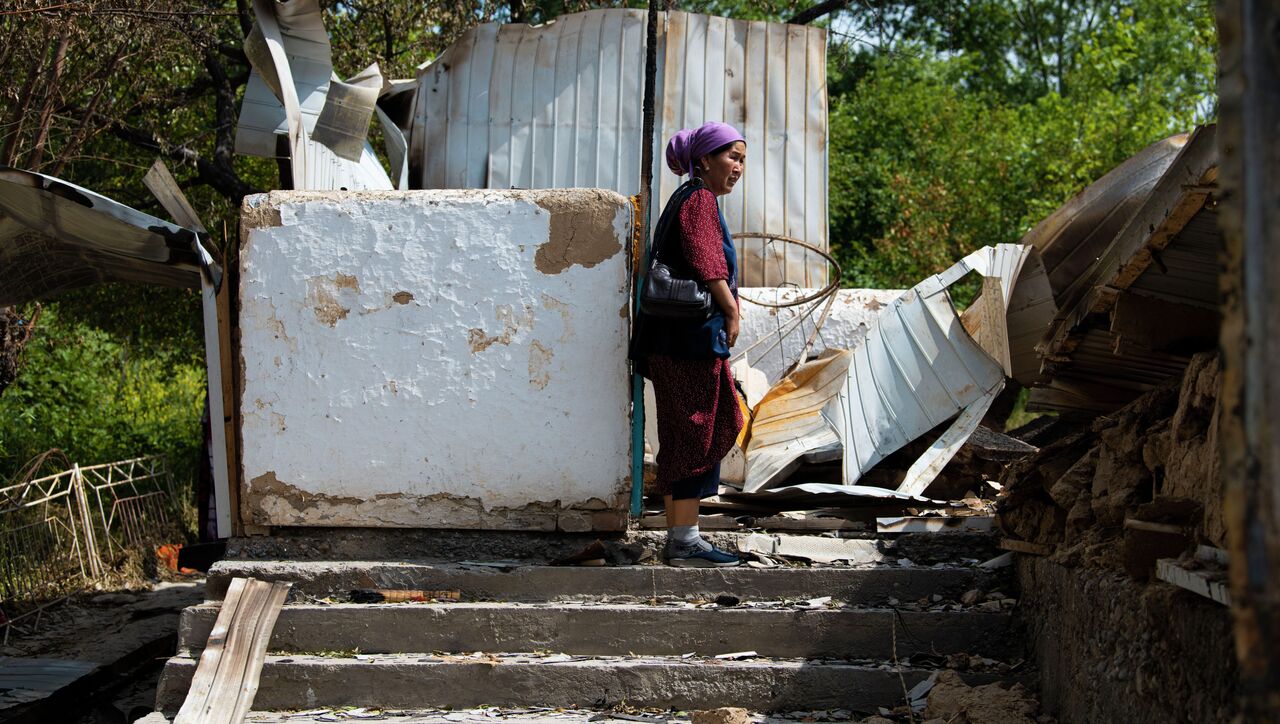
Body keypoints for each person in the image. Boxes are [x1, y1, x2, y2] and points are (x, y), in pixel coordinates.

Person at [631, 121, 747, 567]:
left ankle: (684, 537)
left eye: (742, 160)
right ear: (704, 160)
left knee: (696, 429)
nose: (738, 167)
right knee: (698, 429)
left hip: (679, 342)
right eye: (732, 157)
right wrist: (732, 311)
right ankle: (684, 540)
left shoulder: (692, 198)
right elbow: (706, 262)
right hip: (688, 343)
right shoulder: (699, 198)